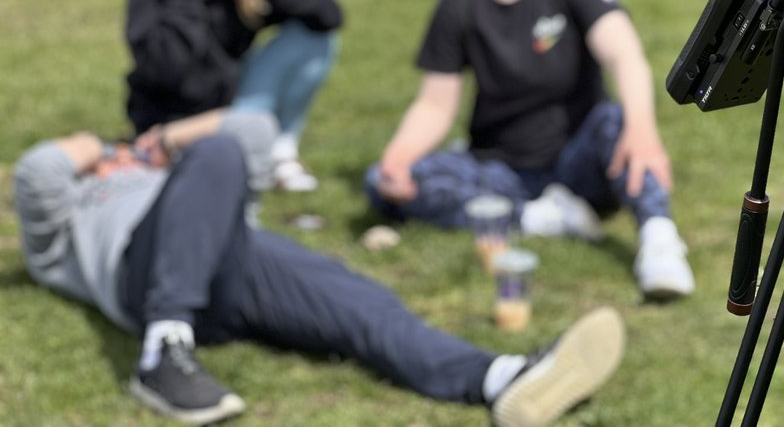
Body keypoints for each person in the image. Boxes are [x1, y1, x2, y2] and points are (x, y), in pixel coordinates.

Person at [12, 110, 625, 426]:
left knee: (363, 305)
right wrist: (102, 149)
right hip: (142, 279)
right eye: (99, 159)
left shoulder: (182, 174)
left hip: (233, 262)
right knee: (217, 153)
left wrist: (162, 141)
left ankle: (498, 378)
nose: (115, 161)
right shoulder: (68, 216)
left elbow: (254, 131)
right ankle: (163, 351)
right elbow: (38, 170)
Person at [365, 0, 695, 301]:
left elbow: (625, 56)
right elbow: (435, 103)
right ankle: (539, 218)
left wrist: (643, 131)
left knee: (618, 120)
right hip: (503, 171)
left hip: (580, 160)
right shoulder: (458, 6)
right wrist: (399, 157)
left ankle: (659, 241)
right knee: (382, 180)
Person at [124, 0, 341, 191]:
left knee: (314, 39)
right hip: (174, 120)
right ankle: (227, 154)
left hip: (236, 104)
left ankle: (280, 149)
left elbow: (329, 17)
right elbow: (164, 70)